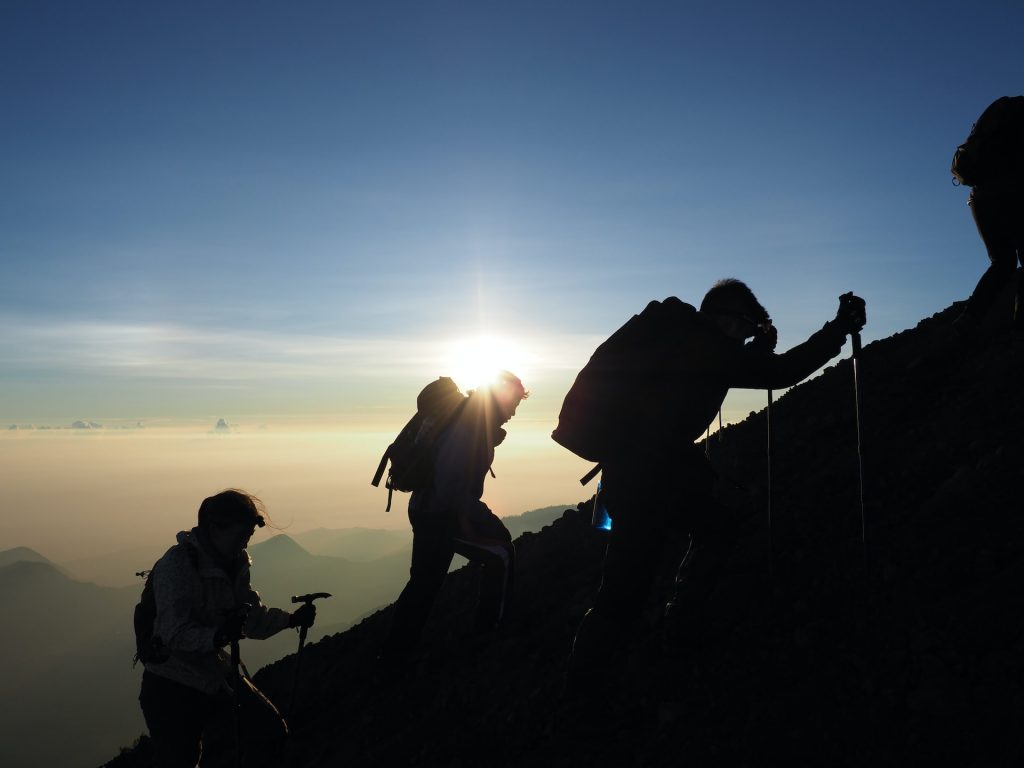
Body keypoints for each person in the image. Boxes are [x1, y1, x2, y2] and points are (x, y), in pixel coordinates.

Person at [558, 280, 866, 699]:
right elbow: (779, 372)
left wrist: (756, 345)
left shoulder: (687, 342)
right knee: (625, 590)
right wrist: (837, 330)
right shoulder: (705, 347)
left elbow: (727, 369)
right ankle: (582, 695)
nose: (745, 335)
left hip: (639, 473)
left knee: (714, 529)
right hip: (646, 481)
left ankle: (671, 632)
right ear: (725, 317)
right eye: (744, 326)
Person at [138, 489, 316, 768]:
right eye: (240, 534)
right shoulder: (177, 565)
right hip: (169, 684)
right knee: (180, 760)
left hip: (211, 672)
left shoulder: (235, 562)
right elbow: (172, 633)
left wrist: (290, 620)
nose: (245, 541)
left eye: (248, 535)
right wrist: (217, 636)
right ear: (214, 529)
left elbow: (249, 618)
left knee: (269, 732)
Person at [379, 370, 529, 671]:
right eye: (512, 403)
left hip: (426, 510)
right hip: (441, 515)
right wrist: (476, 517)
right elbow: (451, 486)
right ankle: (490, 633)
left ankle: (393, 659)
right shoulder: (470, 426)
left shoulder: (471, 420)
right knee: (500, 553)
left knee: (423, 585)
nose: (513, 412)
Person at [952, 95, 1024, 338]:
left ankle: (969, 319)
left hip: (981, 199)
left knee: (1002, 263)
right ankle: (1020, 327)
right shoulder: (1017, 117)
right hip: (1010, 194)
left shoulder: (1002, 110)